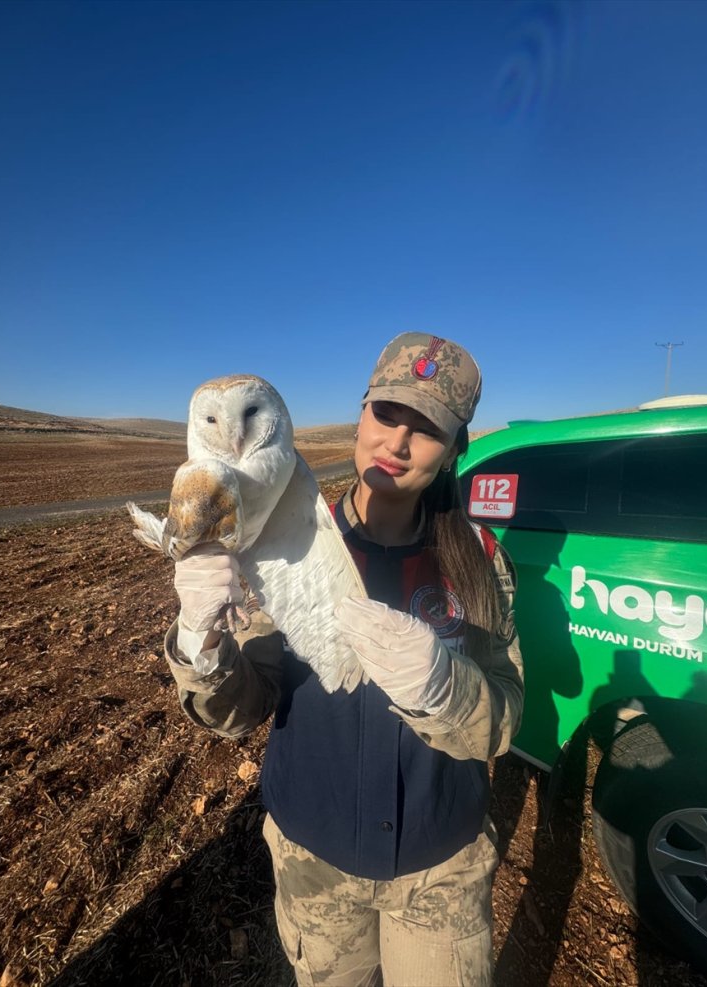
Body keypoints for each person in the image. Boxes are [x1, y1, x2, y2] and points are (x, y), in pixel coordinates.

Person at [165, 332, 524, 986]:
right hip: (316, 869)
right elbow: (240, 708)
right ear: (360, 414)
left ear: (452, 452)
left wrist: (445, 688)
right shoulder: (287, 546)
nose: (397, 441)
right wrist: (202, 641)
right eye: (387, 414)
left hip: (439, 870)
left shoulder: (480, 561)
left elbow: (503, 720)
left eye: (428, 429)